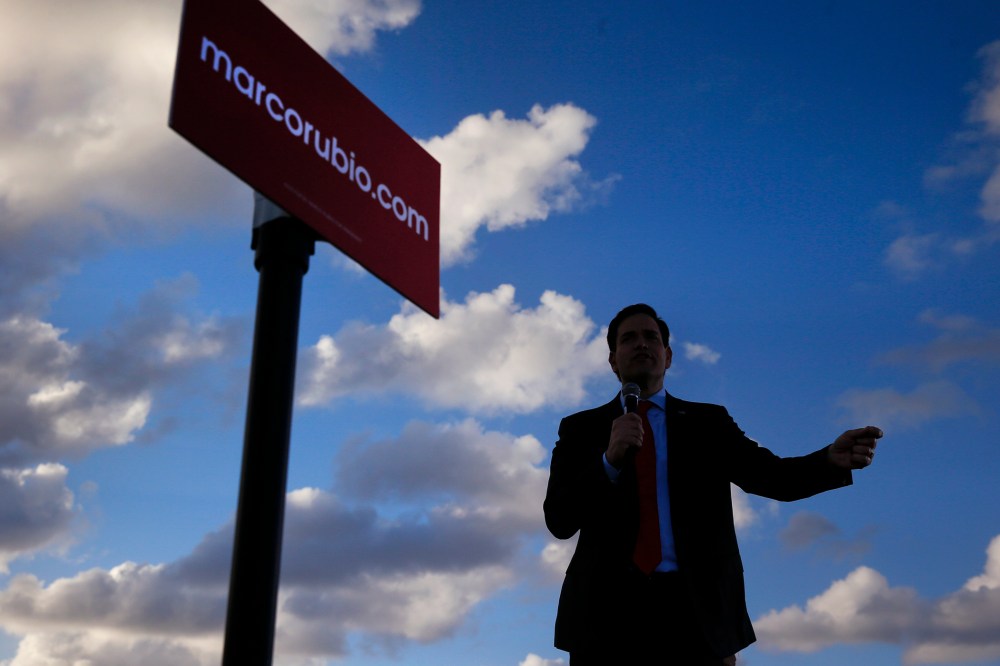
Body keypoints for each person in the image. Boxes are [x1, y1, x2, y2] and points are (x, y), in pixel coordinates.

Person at [543, 303, 882, 665]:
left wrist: (828, 460)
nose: (641, 344)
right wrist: (609, 461)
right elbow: (559, 519)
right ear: (613, 360)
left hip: (697, 618)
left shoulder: (708, 423)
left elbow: (773, 477)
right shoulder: (580, 429)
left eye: (651, 337)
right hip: (606, 620)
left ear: (667, 356)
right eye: (629, 338)